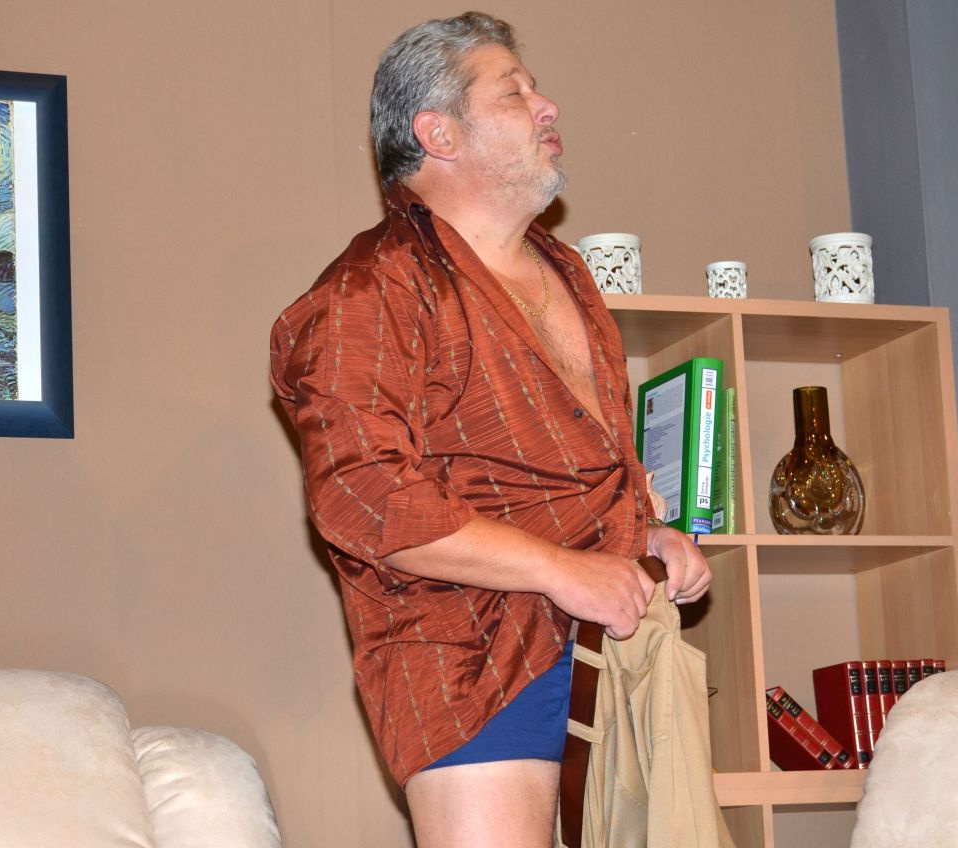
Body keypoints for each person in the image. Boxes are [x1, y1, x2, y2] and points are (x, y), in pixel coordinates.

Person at [270, 12, 711, 848]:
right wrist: (561, 571)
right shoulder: (372, 289)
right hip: (475, 661)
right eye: (513, 93)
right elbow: (363, 495)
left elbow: (571, 472)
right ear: (437, 133)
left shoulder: (568, 272)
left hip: (612, 649)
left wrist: (646, 536)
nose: (547, 105)